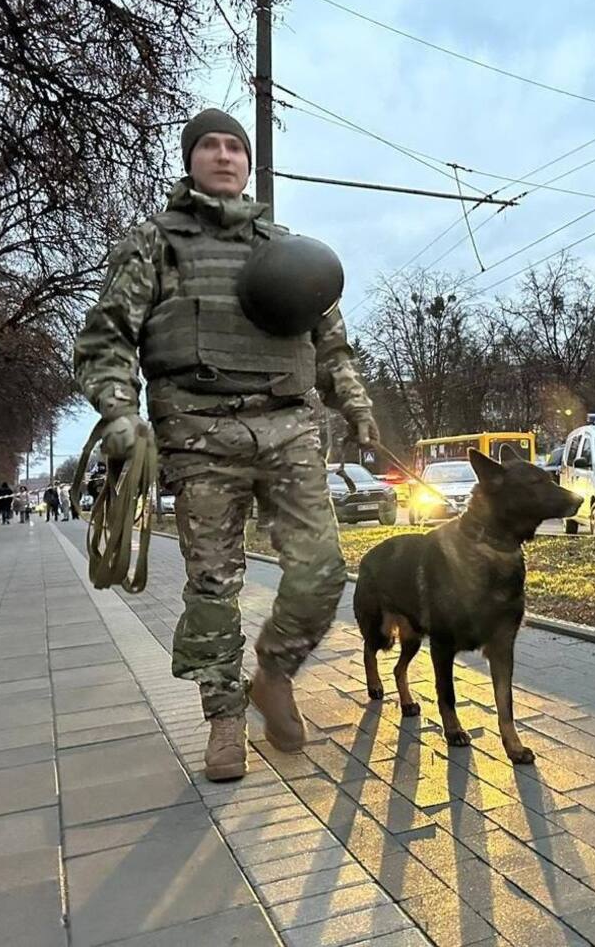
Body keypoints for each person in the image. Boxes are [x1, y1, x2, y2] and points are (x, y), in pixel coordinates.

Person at [73, 108, 378, 782]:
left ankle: (273, 673)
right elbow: (106, 338)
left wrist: (355, 404)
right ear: (190, 160)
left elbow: (330, 342)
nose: (223, 154)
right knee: (214, 583)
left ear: (247, 162)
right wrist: (121, 413)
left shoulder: (286, 247)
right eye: (208, 145)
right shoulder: (156, 243)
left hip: (290, 424)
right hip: (199, 430)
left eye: (234, 145)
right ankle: (224, 719)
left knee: (323, 569)